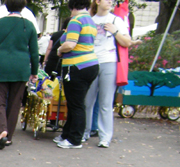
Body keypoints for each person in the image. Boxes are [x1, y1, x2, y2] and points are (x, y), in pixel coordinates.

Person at [0, 0, 38, 150]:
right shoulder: (29, 25)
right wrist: (34, 72)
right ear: (23, 6)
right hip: (21, 67)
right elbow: (34, 52)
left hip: (0, 65)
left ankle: (2, 130)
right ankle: (8, 137)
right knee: (14, 103)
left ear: (6, 6)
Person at [83, 0, 130, 148]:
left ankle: (105, 137)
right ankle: (84, 132)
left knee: (105, 102)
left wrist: (115, 31)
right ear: (97, 1)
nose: (110, 2)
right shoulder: (89, 20)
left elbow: (127, 42)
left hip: (109, 61)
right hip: (90, 62)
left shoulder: (116, 20)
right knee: (87, 101)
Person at [54, 0, 98, 149]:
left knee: (76, 104)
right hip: (90, 64)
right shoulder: (90, 21)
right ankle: (67, 134)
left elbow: (70, 43)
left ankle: (75, 139)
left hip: (76, 65)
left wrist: (59, 50)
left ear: (72, 6)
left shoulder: (76, 20)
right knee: (75, 102)